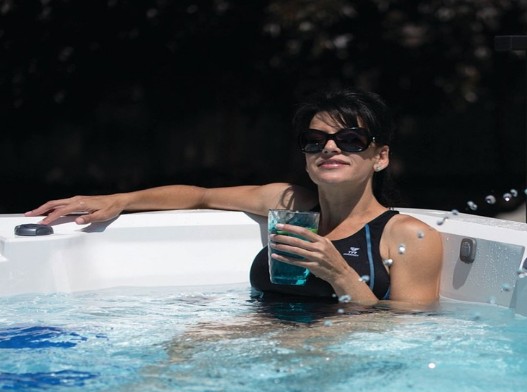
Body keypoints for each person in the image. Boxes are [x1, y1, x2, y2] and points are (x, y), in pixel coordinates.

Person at [25, 88, 442, 307]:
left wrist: (341, 276)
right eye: (315, 141)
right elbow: (200, 197)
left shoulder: (407, 236)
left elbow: (404, 338)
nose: (330, 148)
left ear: (380, 156)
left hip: (334, 358)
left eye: (350, 139)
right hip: (260, 342)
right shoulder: (290, 203)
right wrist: (120, 199)